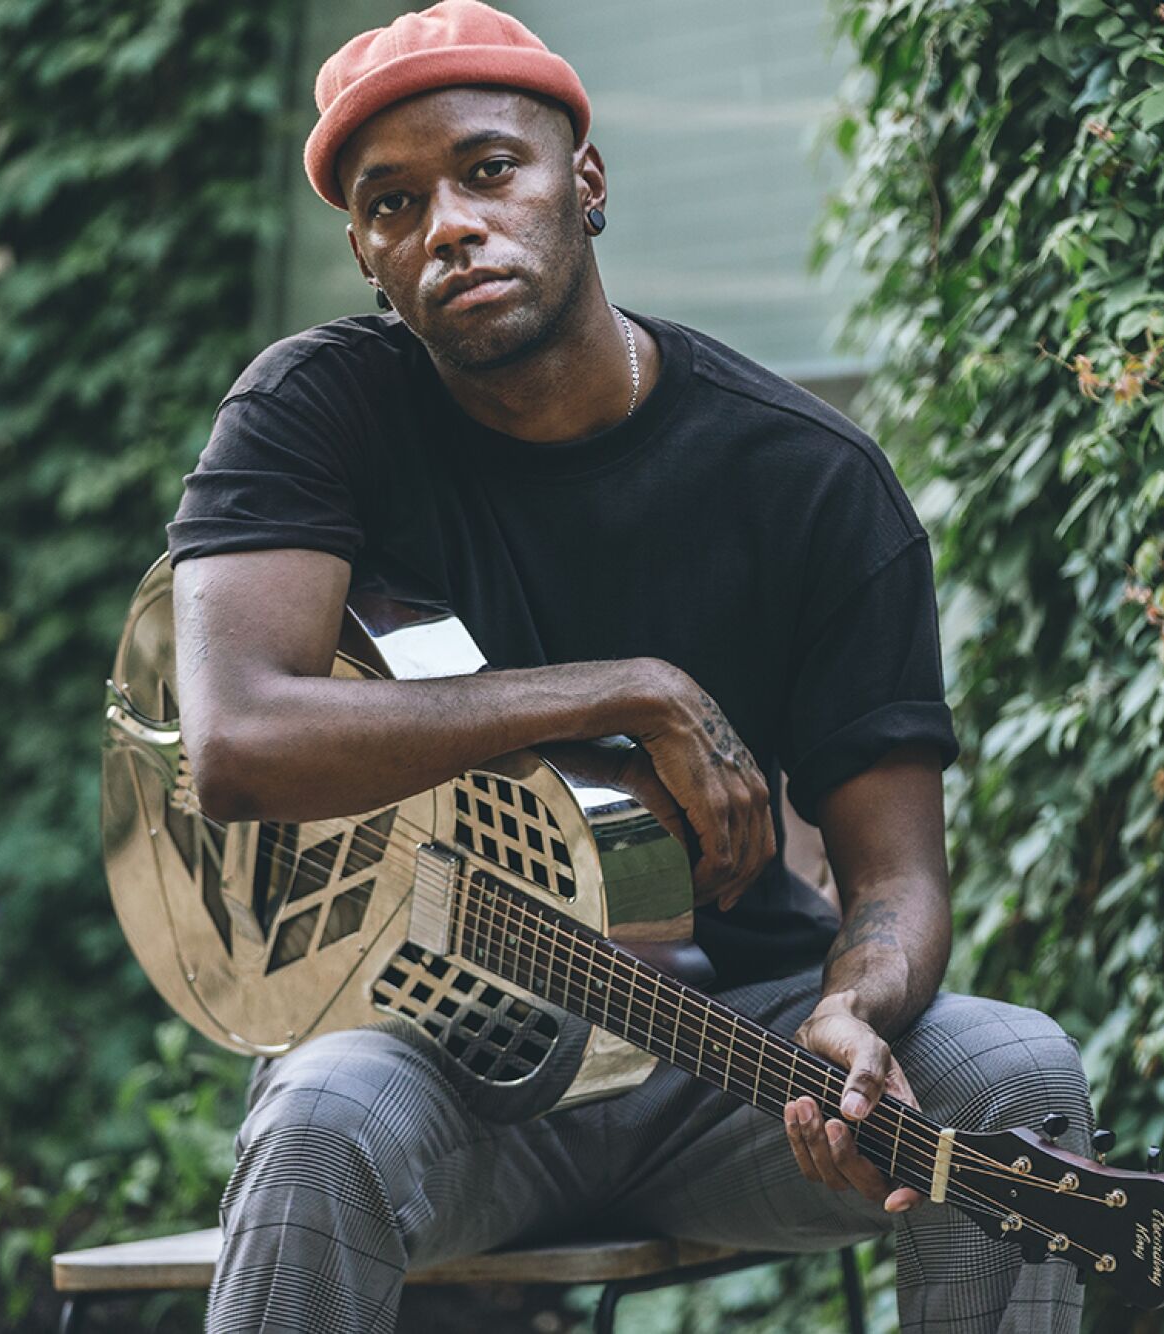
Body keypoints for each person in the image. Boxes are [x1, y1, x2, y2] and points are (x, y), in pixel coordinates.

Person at [164, 4, 1093, 1330]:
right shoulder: (318, 411)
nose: (448, 224)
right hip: (439, 1069)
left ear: (584, 183)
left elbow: (894, 873)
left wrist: (855, 1008)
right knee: (319, 1112)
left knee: (1015, 1068)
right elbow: (236, 738)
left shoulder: (807, 480)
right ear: (367, 254)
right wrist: (622, 687)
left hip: (728, 1067)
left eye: (490, 170)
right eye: (393, 204)